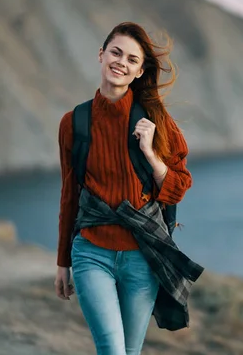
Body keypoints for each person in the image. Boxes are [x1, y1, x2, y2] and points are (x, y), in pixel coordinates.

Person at [54, 22, 193, 355]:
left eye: (132, 59)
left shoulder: (156, 121)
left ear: (139, 70)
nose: (121, 62)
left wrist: (150, 153)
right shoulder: (74, 123)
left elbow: (178, 187)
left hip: (142, 258)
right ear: (101, 56)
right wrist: (63, 262)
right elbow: (69, 195)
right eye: (115, 52)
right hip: (91, 253)